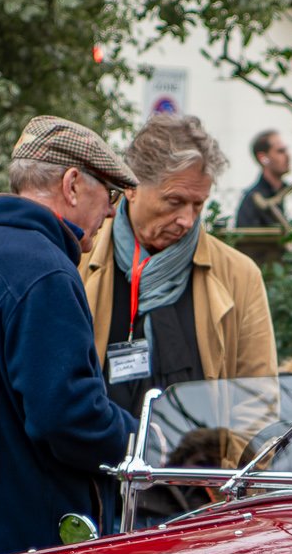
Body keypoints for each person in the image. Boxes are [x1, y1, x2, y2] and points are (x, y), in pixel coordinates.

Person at [0, 117, 140, 554]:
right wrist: (137, 440)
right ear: (73, 184)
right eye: (110, 195)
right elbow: (67, 415)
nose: (112, 212)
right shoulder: (45, 271)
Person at [79, 114, 279, 417]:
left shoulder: (239, 275)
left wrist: (227, 464)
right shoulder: (76, 261)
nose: (187, 220)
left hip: (201, 463)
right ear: (130, 187)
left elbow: (258, 401)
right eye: (174, 201)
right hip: (97, 462)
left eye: (198, 205)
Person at [234, 130, 292, 229]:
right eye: (280, 151)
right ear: (263, 158)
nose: (288, 156)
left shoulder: (288, 192)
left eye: (286, 150)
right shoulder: (252, 200)